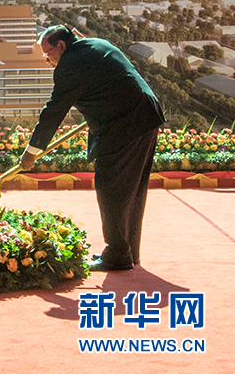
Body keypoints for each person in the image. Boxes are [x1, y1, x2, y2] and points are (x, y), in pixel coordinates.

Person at [19, 25, 164, 271]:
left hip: (126, 124)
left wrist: (31, 151)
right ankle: (127, 252)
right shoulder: (97, 44)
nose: (46, 59)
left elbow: (54, 111)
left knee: (110, 187)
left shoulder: (70, 64)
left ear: (61, 45)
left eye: (47, 53)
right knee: (131, 189)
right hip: (146, 115)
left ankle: (117, 254)